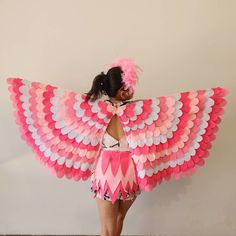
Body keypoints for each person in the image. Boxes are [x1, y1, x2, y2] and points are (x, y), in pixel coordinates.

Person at [85, 59, 142, 236]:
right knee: (119, 219)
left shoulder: (95, 110)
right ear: (123, 90)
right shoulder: (141, 110)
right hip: (131, 173)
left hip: (106, 172)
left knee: (107, 229)